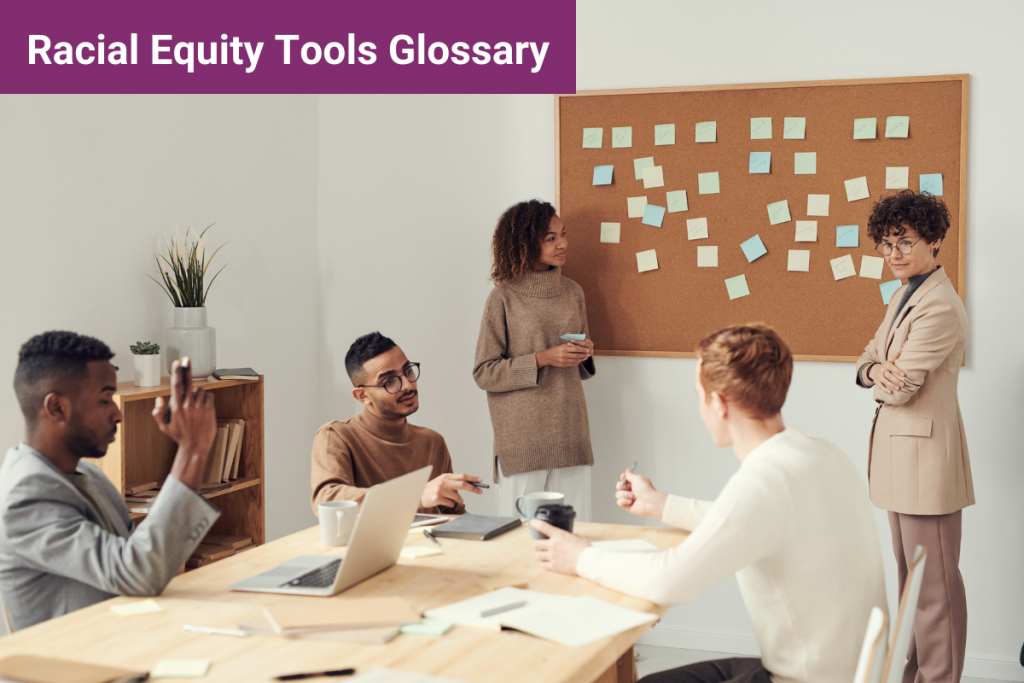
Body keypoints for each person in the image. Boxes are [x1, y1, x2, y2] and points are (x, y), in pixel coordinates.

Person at [532, 325, 887, 683]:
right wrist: (661, 504)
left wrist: (581, 557)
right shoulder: (819, 452)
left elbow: (667, 581)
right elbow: (750, 522)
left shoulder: (766, 479)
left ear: (718, 403)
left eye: (699, 395)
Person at [0, 332, 220, 631]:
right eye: (105, 399)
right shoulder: (26, 494)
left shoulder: (89, 474)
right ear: (56, 408)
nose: (118, 414)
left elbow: (140, 565)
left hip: (126, 643)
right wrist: (192, 450)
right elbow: (138, 571)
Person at [855, 190, 972, 683]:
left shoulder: (939, 305)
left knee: (935, 594)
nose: (894, 255)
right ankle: (915, 677)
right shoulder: (906, 294)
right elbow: (867, 359)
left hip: (926, 464)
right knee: (914, 587)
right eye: (885, 244)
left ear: (936, 239)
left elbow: (901, 390)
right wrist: (874, 370)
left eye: (904, 242)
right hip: (902, 463)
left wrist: (881, 373)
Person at [473, 199, 596, 520]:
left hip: (570, 430)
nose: (563, 244)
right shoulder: (503, 297)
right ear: (524, 242)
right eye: (550, 238)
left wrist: (583, 353)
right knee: (517, 539)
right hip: (522, 441)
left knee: (576, 532)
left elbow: (579, 368)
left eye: (563, 234)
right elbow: (485, 373)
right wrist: (542, 358)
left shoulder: (573, 292)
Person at [311, 331, 481, 514]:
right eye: (390, 381)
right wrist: (414, 496)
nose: (408, 385)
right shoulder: (336, 435)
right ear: (362, 396)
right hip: (372, 544)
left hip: (429, 543)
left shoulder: (433, 441)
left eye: (408, 371)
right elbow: (327, 499)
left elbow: (454, 519)